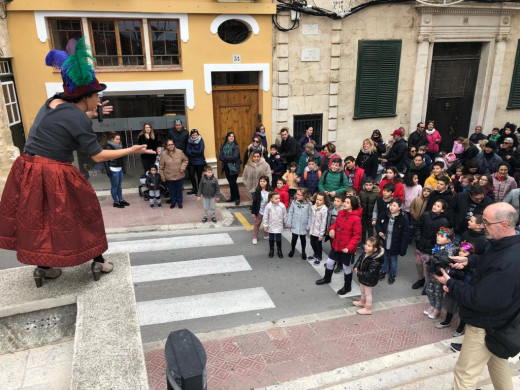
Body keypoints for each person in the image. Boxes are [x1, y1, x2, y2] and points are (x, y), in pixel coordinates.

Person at [0, 38, 154, 287]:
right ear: (88, 96)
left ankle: (43, 268)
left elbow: (67, 118)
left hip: (26, 169)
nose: (99, 100)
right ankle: (98, 261)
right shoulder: (77, 117)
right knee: (85, 214)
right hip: (52, 172)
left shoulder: (53, 102)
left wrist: (92, 113)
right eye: (97, 96)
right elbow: (97, 155)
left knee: (42, 221)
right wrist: (131, 149)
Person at [435, 203, 520, 390]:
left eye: (487, 223)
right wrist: (469, 260)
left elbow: (480, 299)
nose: (483, 226)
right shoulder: (508, 245)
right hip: (502, 324)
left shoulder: (508, 261)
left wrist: (450, 283)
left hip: (485, 326)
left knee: (465, 375)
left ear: (504, 225)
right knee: (497, 364)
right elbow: (490, 265)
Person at [316, 196, 362, 296]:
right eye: (344, 202)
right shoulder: (341, 213)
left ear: (353, 205)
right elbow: (335, 225)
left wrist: (349, 247)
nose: (344, 204)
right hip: (336, 244)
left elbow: (357, 236)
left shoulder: (356, 219)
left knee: (346, 267)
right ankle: (327, 278)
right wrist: (332, 229)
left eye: (347, 202)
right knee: (329, 262)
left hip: (346, 248)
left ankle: (347, 286)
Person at [413, 199, 450, 291]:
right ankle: (421, 279)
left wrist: (434, 246)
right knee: (418, 263)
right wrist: (418, 238)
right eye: (435, 204)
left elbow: (442, 236)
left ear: (442, 210)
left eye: (438, 206)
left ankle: (428, 285)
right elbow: (418, 227)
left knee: (427, 266)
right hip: (420, 244)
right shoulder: (425, 215)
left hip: (431, 248)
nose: (435, 206)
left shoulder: (444, 221)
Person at [424, 227, 457, 320]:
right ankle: (432, 305)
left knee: (438, 292)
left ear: (448, 240)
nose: (438, 237)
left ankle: (437, 309)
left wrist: (429, 259)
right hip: (432, 273)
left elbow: (440, 260)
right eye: (438, 235)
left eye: (441, 236)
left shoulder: (450, 250)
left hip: (441, 275)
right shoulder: (437, 246)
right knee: (429, 290)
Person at [376, 198, 409, 284]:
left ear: (399, 208)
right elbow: (378, 224)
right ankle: (383, 271)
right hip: (384, 242)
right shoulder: (384, 215)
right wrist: (379, 231)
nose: (391, 207)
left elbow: (405, 234)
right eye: (391, 205)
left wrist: (403, 248)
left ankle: (392, 274)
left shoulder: (403, 218)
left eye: (394, 205)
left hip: (395, 244)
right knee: (385, 258)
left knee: (393, 260)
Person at [353, 237, 385, 315]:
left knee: (368, 293)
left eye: (369, 245)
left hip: (369, 280)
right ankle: (362, 301)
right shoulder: (365, 253)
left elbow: (370, 273)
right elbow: (360, 260)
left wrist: (358, 273)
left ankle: (368, 308)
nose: (366, 246)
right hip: (363, 277)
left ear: (374, 249)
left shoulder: (375, 260)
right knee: (362, 290)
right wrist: (356, 266)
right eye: (366, 244)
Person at [160, 139, 189, 209]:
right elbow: (161, 167)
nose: (171, 146)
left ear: (174, 144)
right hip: (169, 176)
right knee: (172, 191)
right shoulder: (163, 154)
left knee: (179, 190)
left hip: (179, 175)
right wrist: (163, 177)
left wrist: (182, 167)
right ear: (166, 146)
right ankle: (173, 202)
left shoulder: (179, 152)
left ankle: (179, 202)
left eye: (172, 144)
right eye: (169, 145)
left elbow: (185, 160)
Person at [104, 132, 130, 209]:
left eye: (119, 139)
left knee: (119, 186)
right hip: (113, 169)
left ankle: (121, 200)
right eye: (117, 139)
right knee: (114, 186)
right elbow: (105, 160)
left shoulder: (120, 146)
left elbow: (122, 159)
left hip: (120, 168)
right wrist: (108, 170)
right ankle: (116, 202)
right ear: (112, 139)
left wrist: (123, 168)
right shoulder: (108, 147)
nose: (118, 140)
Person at [286, 188, 312, 260]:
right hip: (295, 224)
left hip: (303, 225)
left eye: (299, 195)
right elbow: (290, 212)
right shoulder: (294, 202)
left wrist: (308, 226)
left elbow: (310, 216)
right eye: (297, 194)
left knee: (303, 238)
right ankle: (292, 250)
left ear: (305, 196)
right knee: (294, 238)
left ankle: (303, 251)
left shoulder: (309, 204)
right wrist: (289, 223)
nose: (297, 196)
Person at [219, 132, 241, 205]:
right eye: (230, 136)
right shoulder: (223, 146)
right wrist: (227, 158)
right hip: (226, 167)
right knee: (230, 183)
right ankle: (232, 197)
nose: (231, 137)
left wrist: (225, 157)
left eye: (233, 136)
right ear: (227, 137)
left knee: (233, 183)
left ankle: (237, 198)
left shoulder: (236, 146)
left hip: (234, 167)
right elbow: (220, 156)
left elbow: (235, 157)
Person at [263, 191, 287, 258]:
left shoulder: (282, 206)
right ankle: (271, 250)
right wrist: (265, 225)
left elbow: (284, 215)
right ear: (271, 199)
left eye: (279, 198)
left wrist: (285, 222)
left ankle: (279, 250)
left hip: (279, 225)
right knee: (271, 238)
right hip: (271, 225)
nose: (278, 200)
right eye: (276, 199)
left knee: (278, 238)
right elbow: (265, 216)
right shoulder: (268, 206)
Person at [309, 192, 329, 265]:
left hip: (319, 231)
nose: (318, 201)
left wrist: (321, 234)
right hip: (313, 229)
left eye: (320, 200)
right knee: (312, 243)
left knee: (318, 244)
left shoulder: (324, 209)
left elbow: (323, 223)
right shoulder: (313, 207)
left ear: (324, 201)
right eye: (317, 199)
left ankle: (319, 256)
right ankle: (315, 254)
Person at [250, 176, 271, 244]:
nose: (262, 183)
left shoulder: (270, 191)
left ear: (267, 182)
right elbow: (254, 202)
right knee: (257, 224)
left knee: (267, 223)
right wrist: (253, 212)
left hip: (268, 211)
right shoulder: (257, 191)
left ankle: (266, 234)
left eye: (264, 181)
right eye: (261, 181)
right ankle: (255, 237)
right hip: (259, 211)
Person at [359, 178, 380, 243]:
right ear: (364, 185)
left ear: (373, 185)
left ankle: (370, 242)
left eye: (370, 185)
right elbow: (359, 203)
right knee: (363, 229)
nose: (368, 186)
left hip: (371, 215)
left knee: (370, 229)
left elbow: (377, 206)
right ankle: (362, 242)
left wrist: (375, 217)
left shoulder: (376, 194)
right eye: (366, 185)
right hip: (363, 214)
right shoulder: (361, 192)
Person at [185, 129, 206, 195]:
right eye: (193, 135)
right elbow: (187, 151)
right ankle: (194, 189)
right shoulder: (189, 141)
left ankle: (199, 190)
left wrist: (192, 151)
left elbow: (200, 151)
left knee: (199, 176)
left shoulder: (201, 141)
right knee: (191, 175)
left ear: (198, 135)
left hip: (199, 161)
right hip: (191, 161)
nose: (194, 136)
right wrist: (194, 153)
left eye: (196, 135)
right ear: (191, 135)